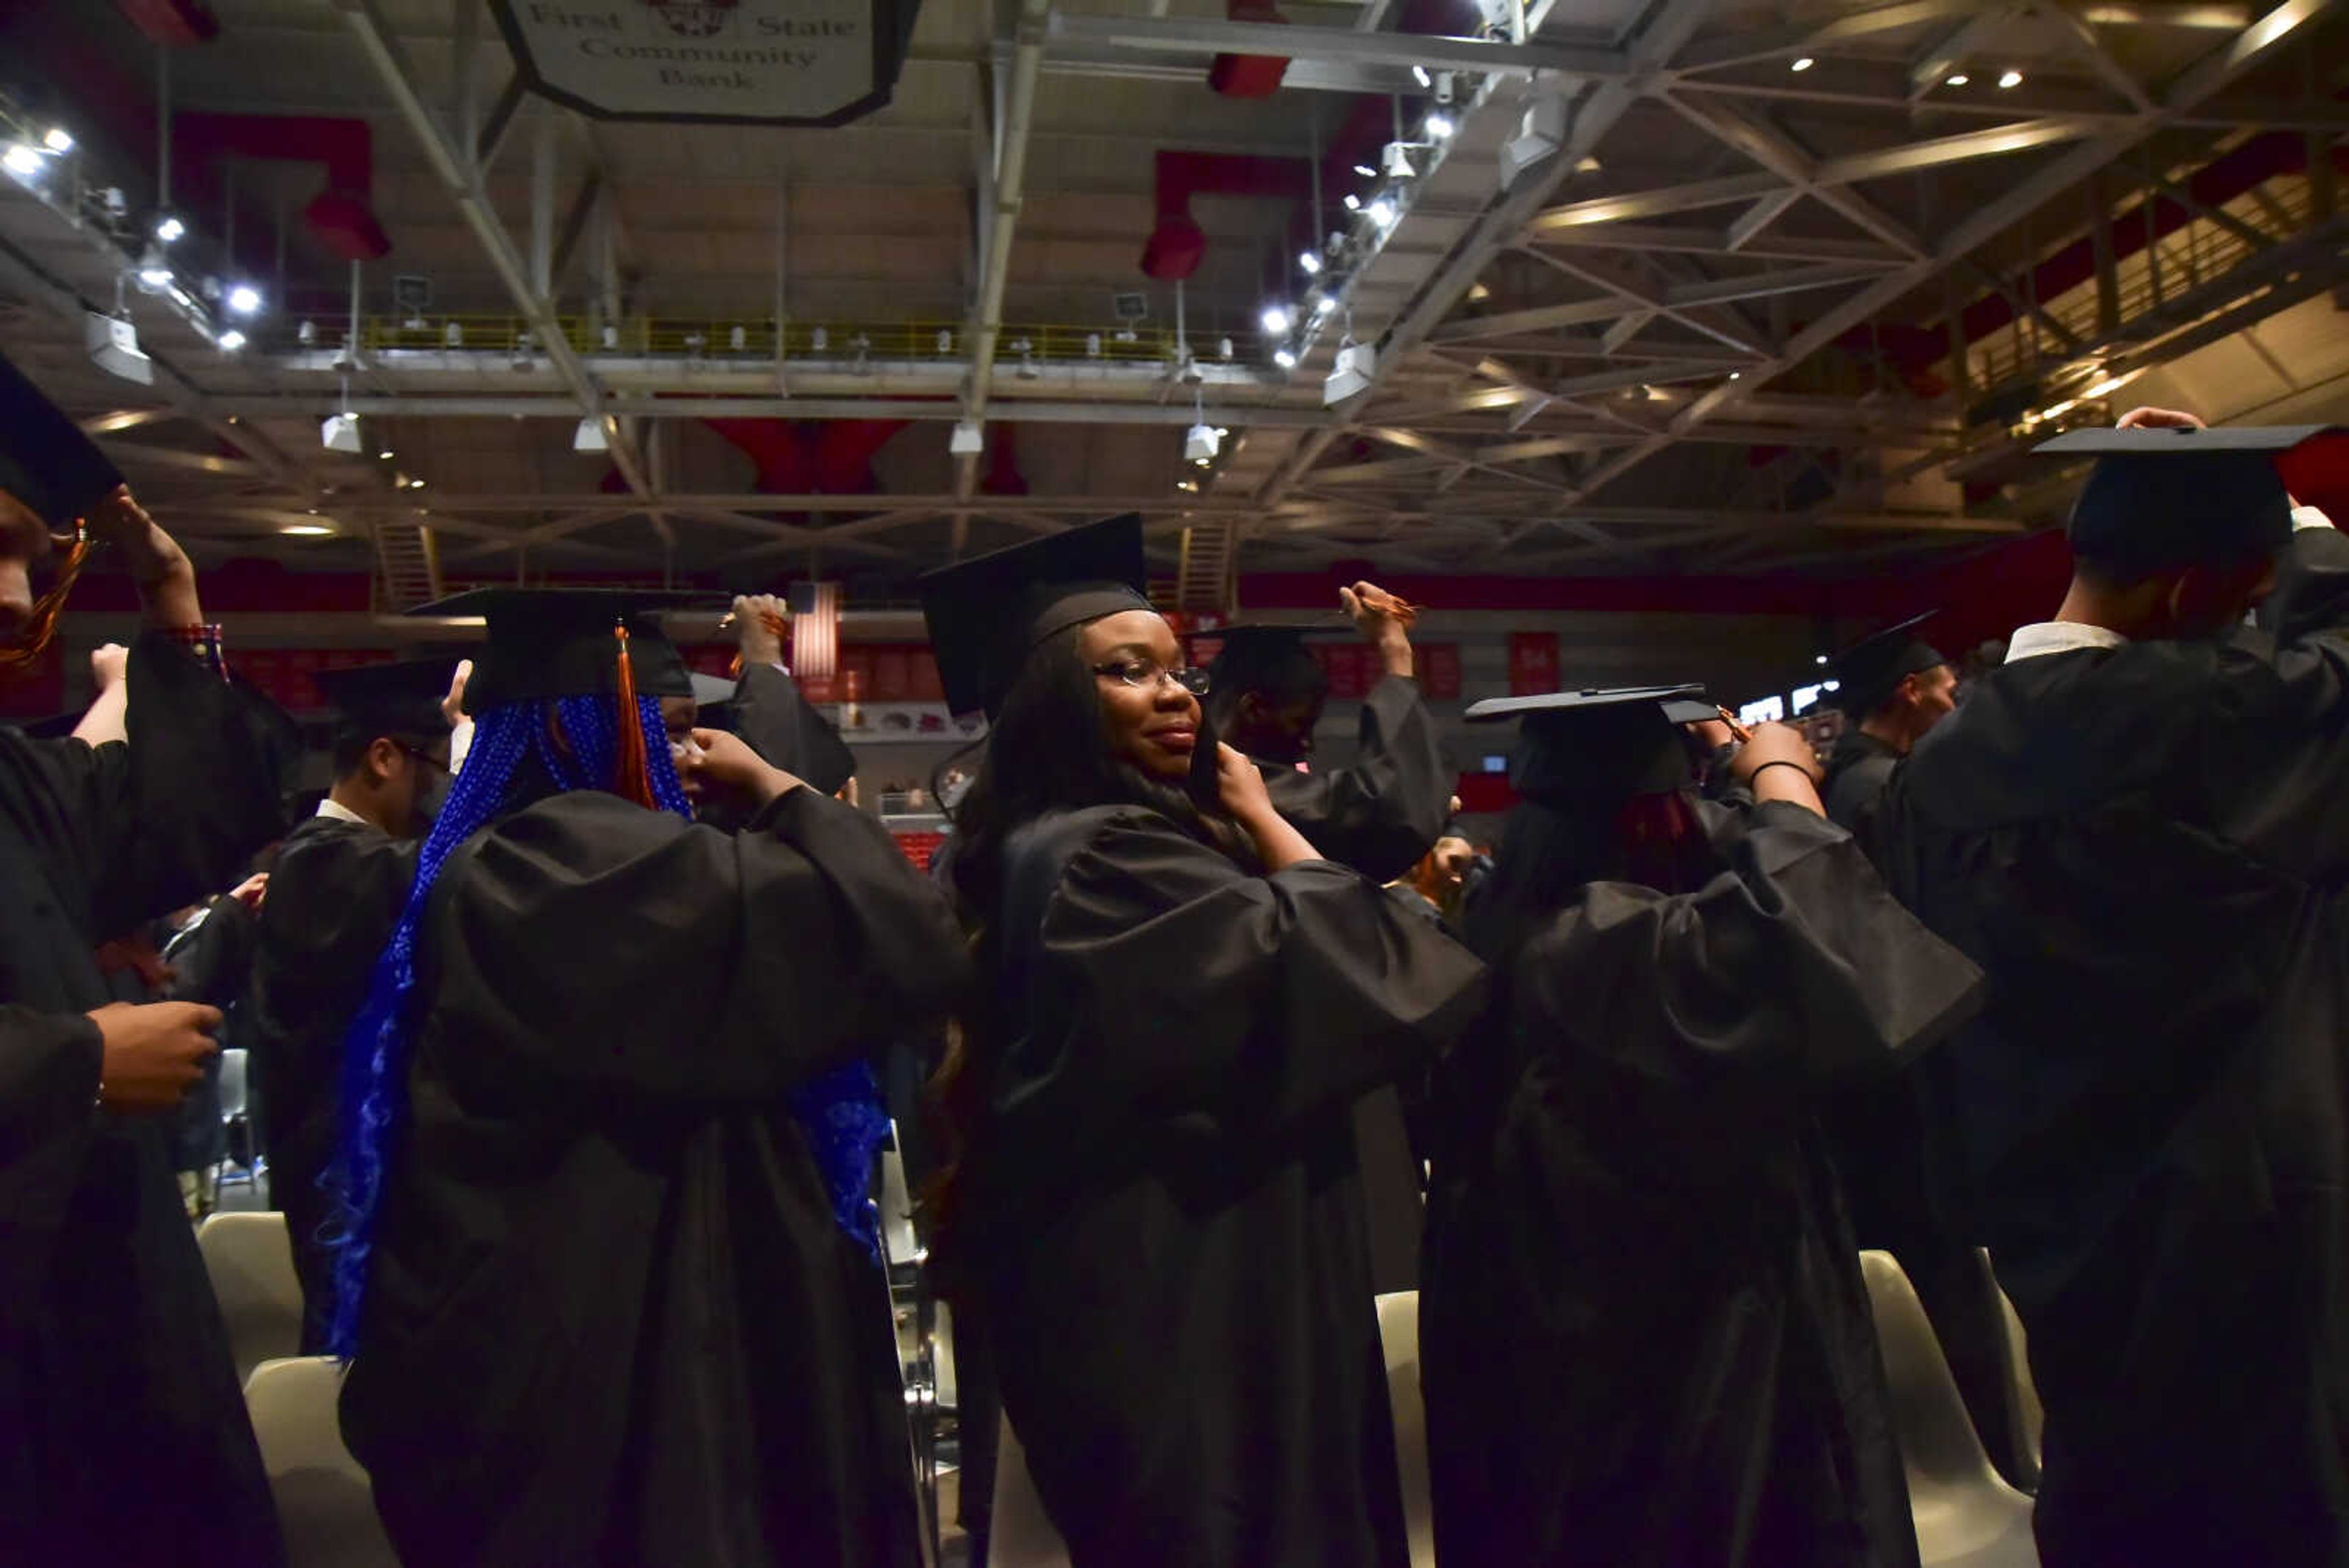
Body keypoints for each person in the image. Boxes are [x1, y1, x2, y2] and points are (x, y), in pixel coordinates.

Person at [332, 588, 968, 1568]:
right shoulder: (577, 860)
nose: (690, 758)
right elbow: (903, 938)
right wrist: (783, 789)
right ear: (581, 725)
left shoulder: (485, 861)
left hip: (552, 1329)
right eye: (667, 730)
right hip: (631, 1343)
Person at [919, 515, 1486, 1568]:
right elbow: (1359, 968)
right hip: (1182, 1301)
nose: (1177, 694)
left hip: (1180, 1276)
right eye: (1128, 673)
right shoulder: (1106, 856)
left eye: (1179, 670)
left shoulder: (1056, 846)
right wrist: (1269, 821)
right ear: (1057, 703)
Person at [1879, 418, 2349, 1567]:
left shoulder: (1930, 774)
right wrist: (2293, 514)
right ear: (2191, 593)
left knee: (2107, 1480)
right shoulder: (2207, 714)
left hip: (2050, 1212)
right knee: (2271, 1499)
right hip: (2247, 1223)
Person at [1422, 683, 1984, 1568]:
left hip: (1582, 1347)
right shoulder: (1613, 942)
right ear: (1651, 819)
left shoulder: (1521, 918)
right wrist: (1783, 780)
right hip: (1693, 1359)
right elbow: (1829, 947)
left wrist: (1729, 770)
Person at [0, 350, 292, 1566]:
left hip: (94, 1331)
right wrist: (72, 1060)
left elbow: (185, 823)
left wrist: (171, 606)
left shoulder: (12, 783)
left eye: (30, 557)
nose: (18, 599)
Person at [245, 656, 466, 1350]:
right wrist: (475, 758)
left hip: (358, 1177)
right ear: (384, 758)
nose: (436, 792)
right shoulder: (322, 862)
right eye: (432, 768)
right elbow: (459, 867)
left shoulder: (343, 856)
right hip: (339, 1185)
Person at [1200, 592, 1451, 884]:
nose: (1308, 743)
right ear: (1254, 708)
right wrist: (1396, 652)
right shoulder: (1227, 786)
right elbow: (1386, 817)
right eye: (1301, 723)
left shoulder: (1196, 772)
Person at [1820, 612, 1956, 852]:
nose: (1953, 708)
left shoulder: (1846, 773)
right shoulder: (1888, 788)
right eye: (1950, 695)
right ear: (1912, 690)